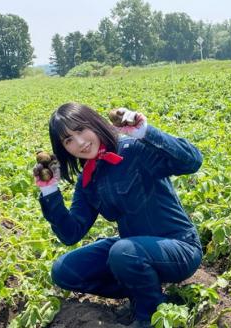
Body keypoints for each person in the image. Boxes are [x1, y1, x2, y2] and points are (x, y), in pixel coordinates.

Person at [32, 102, 203, 328]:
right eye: (68, 140)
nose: (80, 143)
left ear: (94, 123)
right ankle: (140, 290)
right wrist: (49, 191)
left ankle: (148, 314)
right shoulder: (88, 179)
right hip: (133, 250)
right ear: (64, 149)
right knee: (65, 271)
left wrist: (145, 132)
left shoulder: (134, 149)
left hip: (179, 247)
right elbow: (70, 233)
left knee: (123, 252)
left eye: (81, 130)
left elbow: (192, 161)